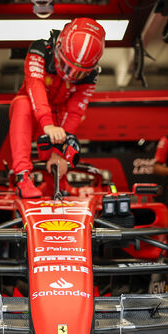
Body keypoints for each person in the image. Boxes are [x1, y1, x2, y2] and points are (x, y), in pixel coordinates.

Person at [9, 17, 105, 198]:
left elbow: (75, 111)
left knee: (63, 140)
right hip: (31, 112)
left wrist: (58, 154)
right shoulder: (39, 50)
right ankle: (22, 177)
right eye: (66, 66)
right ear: (58, 47)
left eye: (78, 73)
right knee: (21, 103)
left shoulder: (91, 76)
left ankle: (57, 182)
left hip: (58, 117)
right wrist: (47, 124)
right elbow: (34, 86)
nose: (70, 75)